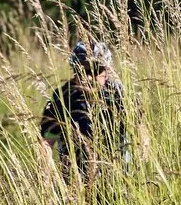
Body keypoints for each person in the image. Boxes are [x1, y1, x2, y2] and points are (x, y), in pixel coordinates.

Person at [41, 40, 129, 181]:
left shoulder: (118, 92)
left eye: (95, 70)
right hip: (75, 182)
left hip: (117, 179)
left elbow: (140, 127)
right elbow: (47, 141)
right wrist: (48, 172)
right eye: (82, 71)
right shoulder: (62, 96)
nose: (88, 77)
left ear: (106, 72)